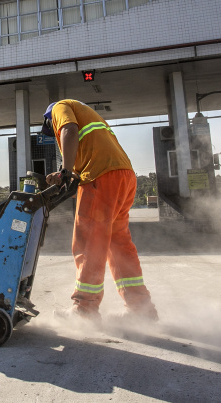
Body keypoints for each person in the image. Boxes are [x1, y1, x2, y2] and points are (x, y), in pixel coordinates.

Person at [43, 99, 158, 322]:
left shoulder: (59, 108)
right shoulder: (90, 115)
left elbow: (68, 129)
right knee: (118, 244)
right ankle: (141, 309)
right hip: (124, 176)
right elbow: (89, 151)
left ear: (48, 120)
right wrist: (69, 175)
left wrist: (65, 170)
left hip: (101, 177)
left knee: (88, 242)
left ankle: (84, 310)